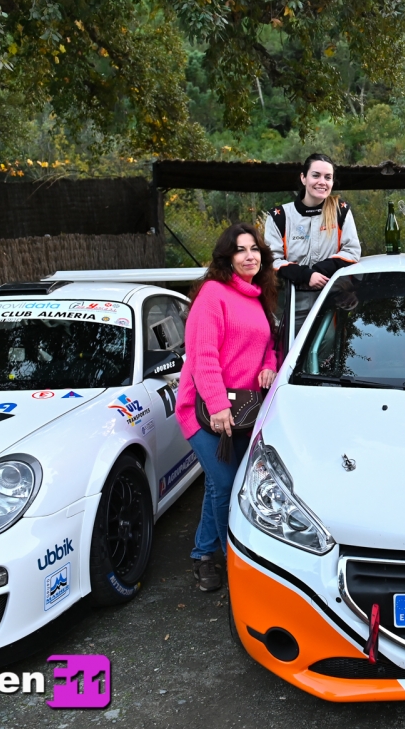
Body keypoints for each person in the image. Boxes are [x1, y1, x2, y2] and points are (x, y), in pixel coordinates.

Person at [176, 224, 278, 592]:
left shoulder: (257, 296)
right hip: (205, 410)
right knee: (226, 484)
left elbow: (269, 342)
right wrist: (218, 406)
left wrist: (269, 364)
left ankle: (203, 554)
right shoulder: (212, 294)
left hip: (244, 411)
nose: (250, 256)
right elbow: (202, 355)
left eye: (255, 249)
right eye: (240, 250)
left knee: (220, 487)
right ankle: (233, 559)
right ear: (227, 258)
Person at [264, 154, 362, 331]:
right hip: (290, 301)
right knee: (291, 354)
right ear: (303, 178)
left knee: (327, 354)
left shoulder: (341, 211)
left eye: (328, 177)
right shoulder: (279, 216)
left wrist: (318, 270)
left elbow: (352, 252)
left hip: (331, 299)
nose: (322, 182)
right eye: (315, 175)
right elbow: (272, 260)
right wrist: (305, 275)